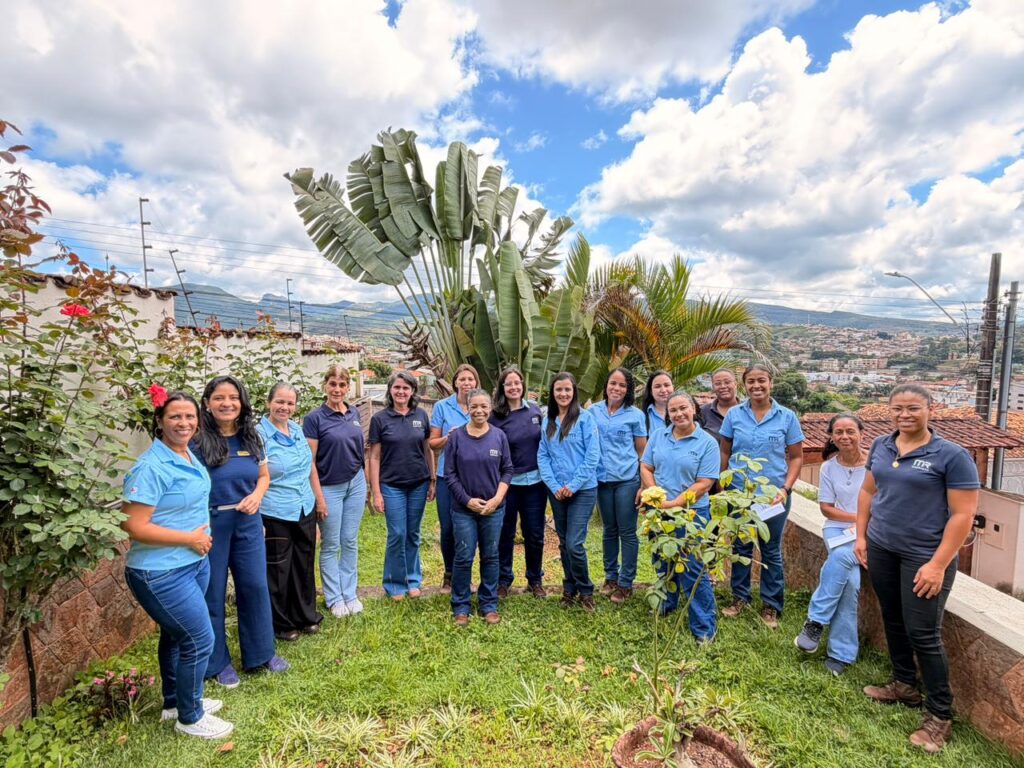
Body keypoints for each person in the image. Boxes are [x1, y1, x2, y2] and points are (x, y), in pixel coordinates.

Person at [855, 384, 980, 754]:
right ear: (888, 411)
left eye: (913, 408)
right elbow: (867, 492)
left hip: (924, 558)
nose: (904, 415)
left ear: (930, 409)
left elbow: (963, 515)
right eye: (897, 409)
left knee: (924, 633)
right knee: (893, 618)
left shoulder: (952, 456)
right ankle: (904, 685)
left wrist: (938, 565)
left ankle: (939, 715)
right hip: (881, 547)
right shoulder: (882, 445)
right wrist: (861, 537)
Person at [121, 389, 233, 739]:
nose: (183, 423)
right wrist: (189, 539)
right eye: (175, 417)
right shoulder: (150, 467)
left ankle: (175, 701)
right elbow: (132, 525)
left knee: (175, 637)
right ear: (159, 422)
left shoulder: (185, 455)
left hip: (192, 563)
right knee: (200, 638)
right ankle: (191, 716)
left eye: (189, 417)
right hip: (161, 572)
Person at [193, 375, 286, 689]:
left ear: (242, 402)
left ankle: (261, 653)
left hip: (247, 522)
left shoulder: (251, 437)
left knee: (255, 587)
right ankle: (216, 663)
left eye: (233, 397)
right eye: (219, 398)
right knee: (212, 593)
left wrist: (258, 497)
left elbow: (263, 476)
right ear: (207, 403)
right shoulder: (196, 441)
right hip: (211, 526)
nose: (227, 403)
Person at [719, 364, 804, 629]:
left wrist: (785, 488)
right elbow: (725, 452)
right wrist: (723, 486)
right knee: (741, 546)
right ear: (745, 385)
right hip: (740, 495)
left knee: (771, 551)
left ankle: (771, 605)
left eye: (762, 381)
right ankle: (739, 599)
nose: (757, 386)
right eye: (751, 381)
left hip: (773, 497)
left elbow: (797, 457)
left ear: (771, 382)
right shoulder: (734, 415)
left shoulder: (787, 417)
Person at [640, 391, 720, 641]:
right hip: (659, 511)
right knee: (663, 559)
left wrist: (674, 504)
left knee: (692, 568)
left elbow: (705, 482)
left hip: (691, 513)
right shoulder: (658, 436)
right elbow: (646, 466)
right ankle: (667, 603)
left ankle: (704, 627)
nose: (678, 414)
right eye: (673, 410)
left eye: (683, 408)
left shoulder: (707, 443)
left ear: (694, 409)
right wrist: (654, 495)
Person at [794, 413, 866, 675]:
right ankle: (841, 655)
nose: (844, 437)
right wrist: (856, 518)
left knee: (846, 573)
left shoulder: (875, 466)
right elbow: (827, 509)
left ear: (861, 433)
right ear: (832, 436)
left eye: (850, 431)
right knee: (849, 581)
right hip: (837, 529)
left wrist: (862, 523)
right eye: (839, 432)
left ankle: (816, 620)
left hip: (868, 531)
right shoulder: (828, 467)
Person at [256, 382, 321, 641]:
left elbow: (308, 467)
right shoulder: (258, 436)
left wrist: (318, 501)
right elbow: (254, 476)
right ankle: (281, 624)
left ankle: (305, 616)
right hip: (275, 510)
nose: (285, 407)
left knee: (303, 564)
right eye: (280, 402)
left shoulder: (296, 430)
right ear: (268, 403)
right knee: (278, 569)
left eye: (290, 403)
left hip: (303, 507)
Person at [444, 389, 513, 625]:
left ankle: (488, 604)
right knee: (463, 556)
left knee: (491, 556)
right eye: (474, 406)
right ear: (468, 408)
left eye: (484, 406)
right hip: (464, 509)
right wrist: (467, 500)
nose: (479, 411)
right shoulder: (456, 437)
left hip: (493, 509)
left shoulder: (499, 436)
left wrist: (496, 499)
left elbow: (507, 470)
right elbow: (449, 474)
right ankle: (461, 605)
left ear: (490, 407)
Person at [303, 365, 367, 618]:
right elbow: (310, 462)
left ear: (348, 387)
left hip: (356, 483)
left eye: (342, 385)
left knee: (350, 541)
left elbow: (359, 449)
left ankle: (350, 593)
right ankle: (334, 597)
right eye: (333, 384)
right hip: (329, 487)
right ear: (325, 386)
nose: (337, 389)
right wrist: (318, 498)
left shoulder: (354, 413)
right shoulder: (314, 418)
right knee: (331, 544)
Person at [368, 371, 435, 601]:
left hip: (419, 483)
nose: (401, 392)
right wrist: (376, 492)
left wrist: (432, 479)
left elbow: (427, 450)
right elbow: (374, 457)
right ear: (390, 390)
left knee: (413, 533)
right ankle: (394, 583)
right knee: (397, 533)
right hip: (391, 485)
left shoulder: (421, 416)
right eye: (397, 387)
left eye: (406, 388)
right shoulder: (380, 419)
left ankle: (413, 579)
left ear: (413, 391)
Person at [538, 372, 601, 612]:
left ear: (574, 392)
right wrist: (555, 487)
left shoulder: (585, 420)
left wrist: (572, 486)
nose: (563, 394)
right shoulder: (548, 420)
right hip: (556, 492)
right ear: (552, 393)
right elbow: (543, 455)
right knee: (564, 543)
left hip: (583, 490)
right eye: (558, 390)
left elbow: (592, 456)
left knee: (575, 543)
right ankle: (569, 588)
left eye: (567, 390)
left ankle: (586, 590)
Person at [589, 367, 647, 604]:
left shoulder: (635, 415)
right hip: (602, 480)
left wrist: (644, 485)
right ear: (607, 385)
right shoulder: (593, 411)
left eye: (622, 385)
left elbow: (642, 452)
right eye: (613, 383)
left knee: (627, 531)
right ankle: (610, 577)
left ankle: (625, 582)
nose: (616, 388)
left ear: (628, 390)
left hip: (627, 480)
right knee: (609, 530)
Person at [490, 366, 548, 598]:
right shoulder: (495, 416)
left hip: (535, 483)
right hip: (507, 485)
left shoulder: (535, 412)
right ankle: (504, 579)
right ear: (502, 388)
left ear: (522, 385)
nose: (514, 387)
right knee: (505, 533)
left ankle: (535, 579)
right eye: (509, 384)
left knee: (534, 533)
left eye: (517, 383)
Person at [429, 364, 480, 590]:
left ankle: (465, 575)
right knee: (448, 528)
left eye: (471, 379)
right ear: (455, 383)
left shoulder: (481, 405)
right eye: (462, 379)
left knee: (467, 529)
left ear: (476, 383)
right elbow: (432, 443)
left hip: (474, 478)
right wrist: (448, 438)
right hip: (446, 477)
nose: (467, 383)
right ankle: (449, 572)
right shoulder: (442, 407)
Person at [699, 368, 741, 442]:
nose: (723, 386)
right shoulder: (703, 411)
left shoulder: (748, 409)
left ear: (735, 384)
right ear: (713, 387)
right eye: (718, 383)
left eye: (727, 382)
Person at [641, 370, 674, 435]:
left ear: (673, 387)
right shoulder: (641, 417)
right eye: (657, 386)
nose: (663, 390)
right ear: (651, 391)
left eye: (667, 385)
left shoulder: (684, 413)